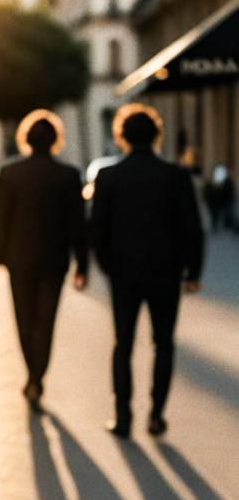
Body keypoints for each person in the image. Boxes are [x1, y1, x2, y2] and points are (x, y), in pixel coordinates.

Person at [90, 104, 203, 438]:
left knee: (122, 344)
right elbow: (192, 229)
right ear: (157, 135)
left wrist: (108, 266)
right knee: (163, 343)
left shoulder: (108, 176)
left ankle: (122, 417)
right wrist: (192, 272)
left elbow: (97, 230)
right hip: (166, 273)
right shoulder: (175, 175)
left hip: (124, 273)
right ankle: (156, 414)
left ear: (121, 135)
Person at [0, 110, 88, 408]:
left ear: (26, 139)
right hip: (55, 260)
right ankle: (37, 378)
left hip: (19, 260)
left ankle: (33, 376)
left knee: (24, 321)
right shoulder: (69, 175)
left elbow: (1, 218)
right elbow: (78, 225)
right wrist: (82, 264)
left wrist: (2, 254)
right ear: (55, 141)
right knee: (45, 323)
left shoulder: (9, 174)